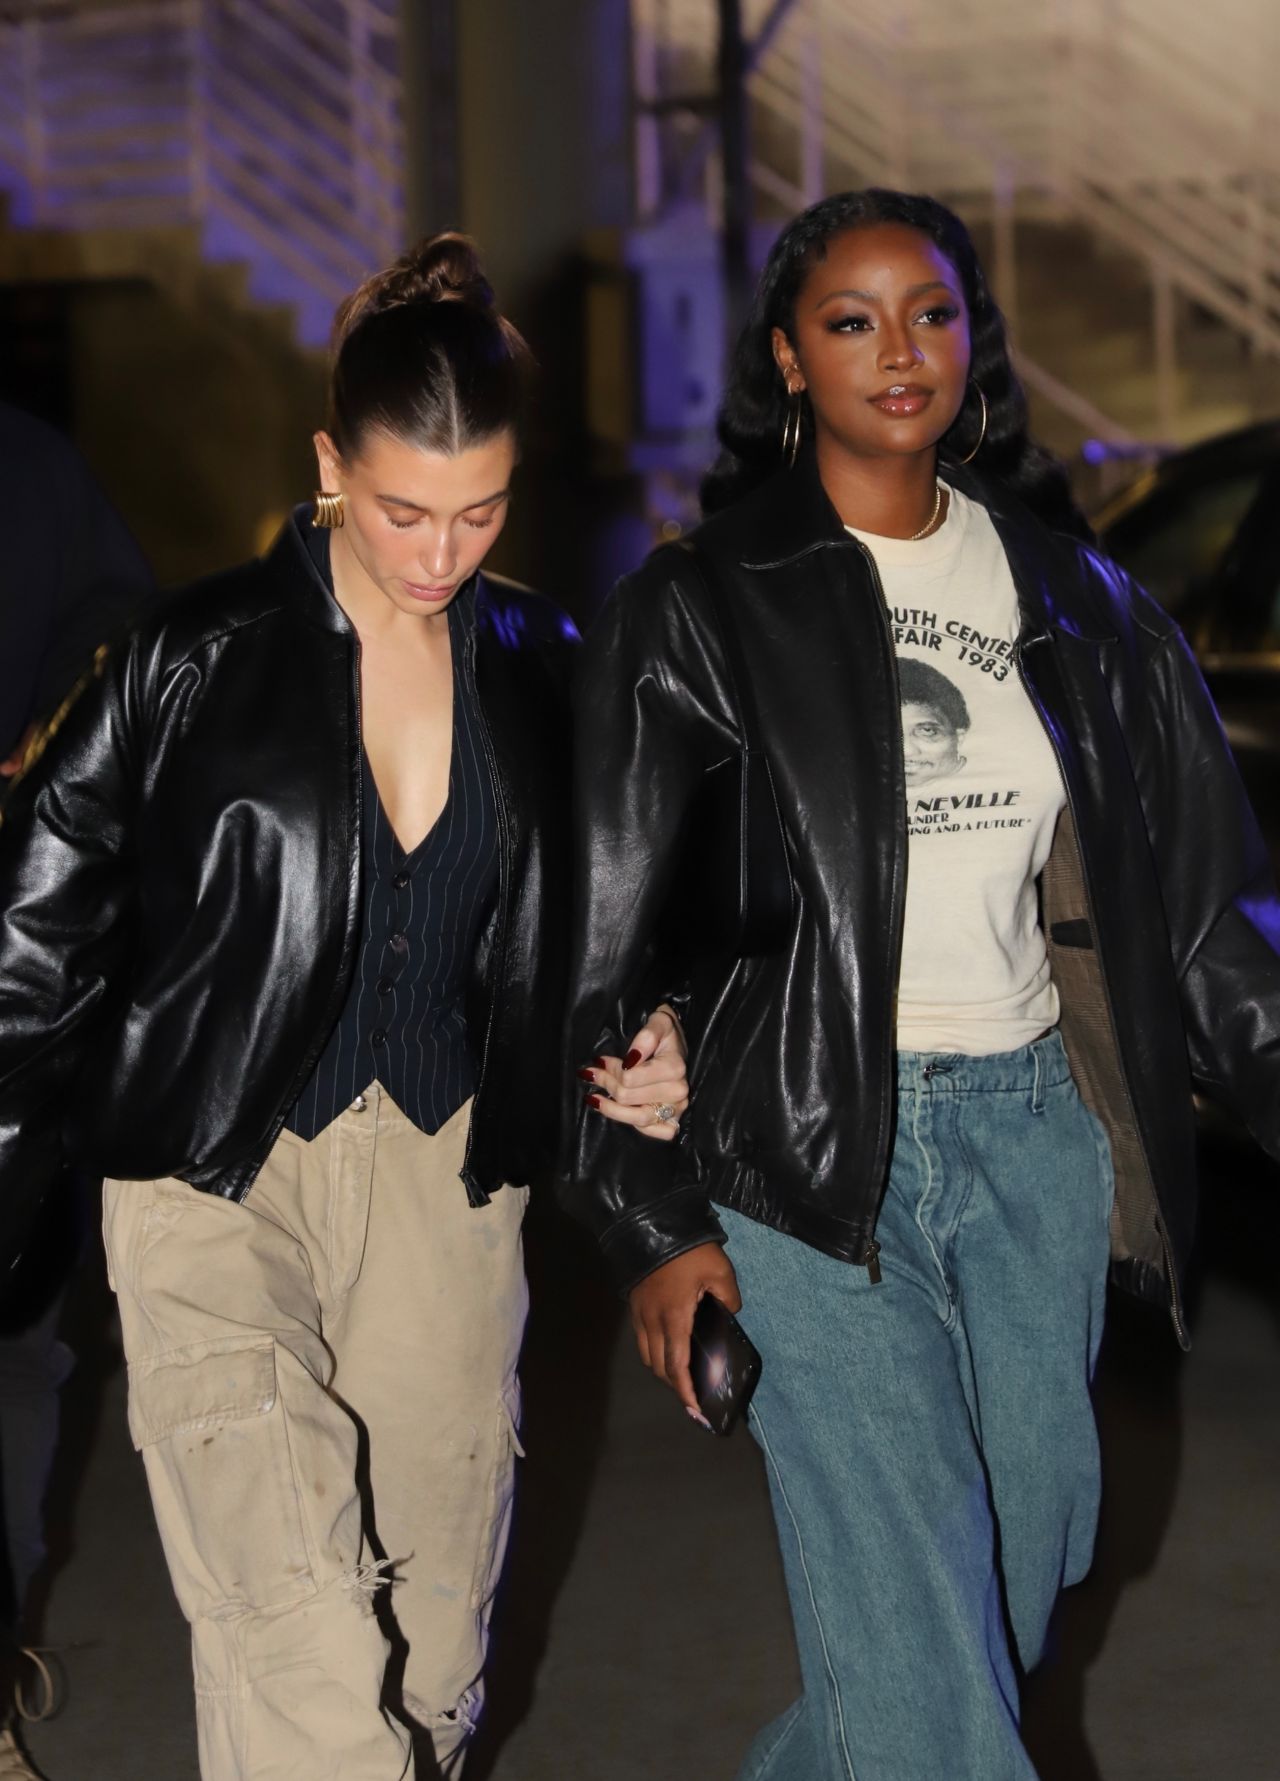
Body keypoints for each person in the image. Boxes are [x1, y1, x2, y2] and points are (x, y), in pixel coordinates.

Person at [564, 188, 1280, 1780]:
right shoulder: (698, 608)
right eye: (852, 319)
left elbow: (1199, 921)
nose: (901, 350)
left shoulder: (1084, 604)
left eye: (934, 313)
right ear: (787, 359)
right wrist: (650, 1222)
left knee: (983, 1606)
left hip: (1033, 1141)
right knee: (925, 1642)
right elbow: (608, 941)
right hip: (806, 1155)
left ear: (974, 340)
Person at [0, 233, 684, 1779]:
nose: (441, 551)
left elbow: (615, 920)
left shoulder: (543, 664)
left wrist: (650, 1037)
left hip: (449, 1185)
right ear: (328, 464)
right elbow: (32, 947)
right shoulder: (189, 665)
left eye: (480, 511)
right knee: (304, 1641)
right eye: (400, 510)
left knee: (431, 1663)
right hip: (214, 1178)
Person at [0, 401, 153, 1781]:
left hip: (12, 980)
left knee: (14, 1350)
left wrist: (42, 747)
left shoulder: (32, 467)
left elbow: (119, 647)